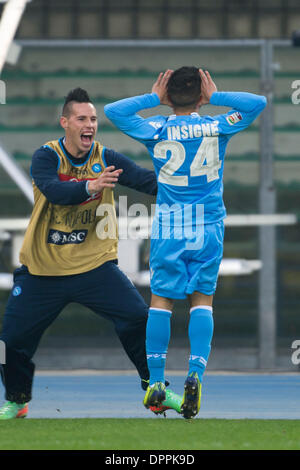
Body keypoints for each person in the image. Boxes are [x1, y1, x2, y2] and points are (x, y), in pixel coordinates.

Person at [0, 87, 182, 420]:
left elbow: (144, 181)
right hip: (43, 270)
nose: (90, 124)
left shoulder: (105, 157)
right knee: (10, 340)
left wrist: (187, 182)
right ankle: (17, 398)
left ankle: (154, 390)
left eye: (94, 119)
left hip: (93, 266)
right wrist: (91, 187)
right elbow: (55, 192)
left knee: (138, 318)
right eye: (82, 118)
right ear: (65, 122)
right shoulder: (46, 156)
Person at [104, 67, 267, 419]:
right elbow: (258, 102)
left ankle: (158, 382)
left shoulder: (157, 128)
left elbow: (113, 111)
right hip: (208, 224)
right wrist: (217, 97)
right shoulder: (217, 125)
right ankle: (195, 374)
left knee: (161, 299)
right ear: (200, 93)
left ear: (169, 92)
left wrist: (153, 99)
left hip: (170, 226)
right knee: (202, 299)